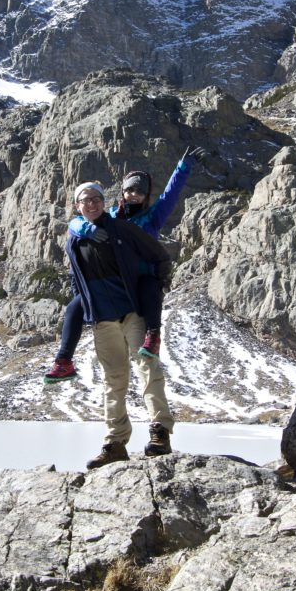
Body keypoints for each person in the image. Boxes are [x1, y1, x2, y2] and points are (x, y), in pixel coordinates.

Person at [43, 147, 203, 382]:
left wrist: (182, 167)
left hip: (140, 277)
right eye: (130, 189)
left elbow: (170, 195)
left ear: (146, 194)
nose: (135, 195)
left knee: (151, 286)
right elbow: (77, 220)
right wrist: (88, 228)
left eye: (140, 191)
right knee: (74, 307)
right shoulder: (111, 216)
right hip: (116, 278)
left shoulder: (152, 217)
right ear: (122, 192)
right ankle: (64, 360)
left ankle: (153, 336)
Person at [64, 181, 176, 469]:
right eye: (86, 200)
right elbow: (78, 282)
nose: (92, 204)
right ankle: (115, 443)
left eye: (97, 199)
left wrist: (156, 285)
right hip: (103, 321)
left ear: (104, 202)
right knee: (114, 381)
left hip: (132, 314)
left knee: (148, 367)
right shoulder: (75, 239)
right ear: (78, 206)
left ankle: (160, 432)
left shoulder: (121, 228)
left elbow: (158, 254)